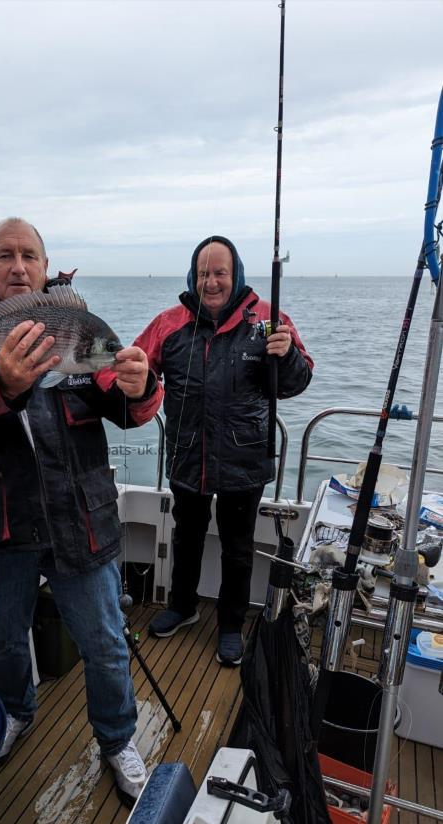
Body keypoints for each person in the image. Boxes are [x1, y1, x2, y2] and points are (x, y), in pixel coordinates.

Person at [0, 218, 163, 802]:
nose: (19, 266)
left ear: (47, 266)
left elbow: (131, 410)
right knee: (3, 637)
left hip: (79, 517)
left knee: (104, 640)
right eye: (6, 255)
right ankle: (15, 713)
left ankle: (117, 739)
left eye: (31, 255)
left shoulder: (77, 329)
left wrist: (140, 385)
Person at [134, 235, 313, 665]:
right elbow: (137, 369)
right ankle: (182, 606)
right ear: (192, 277)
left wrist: (285, 357)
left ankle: (231, 625)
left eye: (220, 273)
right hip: (187, 455)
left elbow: (297, 381)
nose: (211, 282)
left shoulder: (269, 321)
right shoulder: (169, 324)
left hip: (243, 460)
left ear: (236, 276)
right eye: (203, 274)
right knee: (186, 535)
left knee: (238, 546)